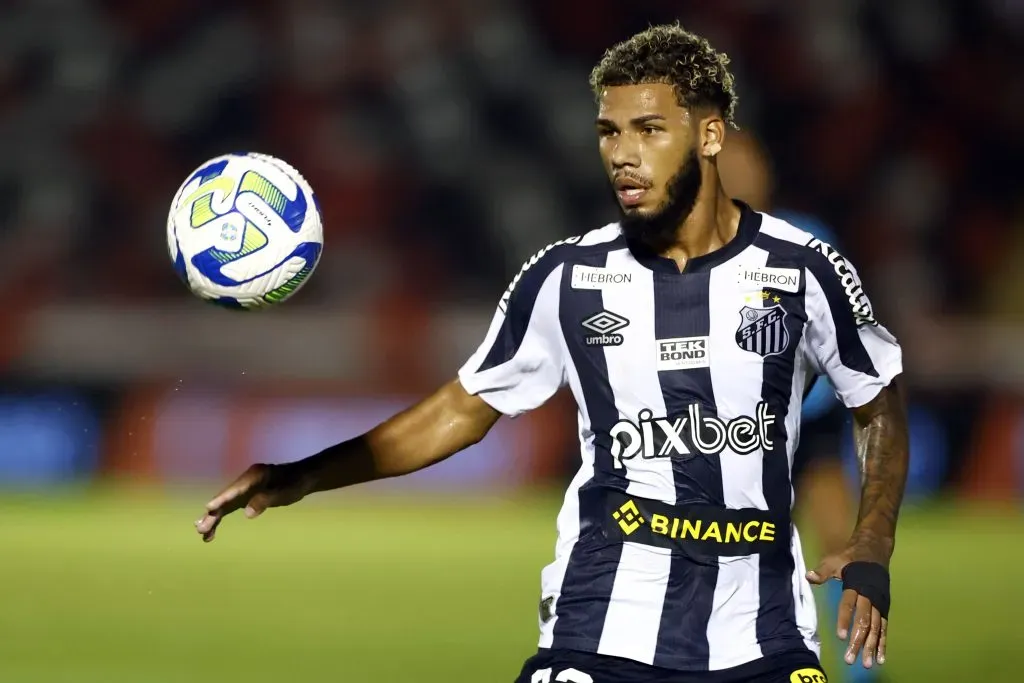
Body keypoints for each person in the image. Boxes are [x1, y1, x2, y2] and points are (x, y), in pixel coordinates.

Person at [194, 23, 909, 683]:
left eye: (649, 130)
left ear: (711, 135)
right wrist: (304, 475)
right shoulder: (568, 276)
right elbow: (461, 410)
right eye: (608, 132)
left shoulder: (805, 269)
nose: (622, 153)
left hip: (764, 637)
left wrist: (873, 540)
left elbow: (878, 403)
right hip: (600, 629)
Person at [718, 131, 883, 683]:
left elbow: (845, 326)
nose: (742, 174)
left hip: (808, 421)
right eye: (728, 164)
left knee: (839, 541)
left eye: (750, 162)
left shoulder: (807, 239)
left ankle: (861, 672)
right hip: (735, 430)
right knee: (739, 558)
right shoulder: (693, 247)